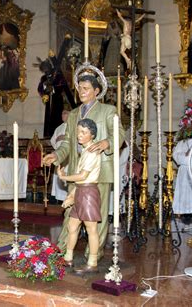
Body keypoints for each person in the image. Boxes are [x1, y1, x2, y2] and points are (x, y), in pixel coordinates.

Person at [43, 74, 125, 261]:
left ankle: (93, 254)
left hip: (100, 170)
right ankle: (63, 248)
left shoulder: (108, 110)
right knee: (71, 211)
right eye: (79, 88)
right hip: (76, 171)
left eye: (86, 88)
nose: (81, 91)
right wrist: (56, 155)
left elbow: (119, 134)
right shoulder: (73, 114)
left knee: (98, 216)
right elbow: (68, 144)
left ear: (96, 91)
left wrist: (106, 143)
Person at [58, 118, 101, 274]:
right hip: (81, 191)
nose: (79, 135)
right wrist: (72, 195)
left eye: (84, 132)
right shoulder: (84, 151)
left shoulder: (92, 152)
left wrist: (64, 177)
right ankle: (68, 258)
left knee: (91, 229)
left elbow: (82, 176)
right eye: (78, 132)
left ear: (92, 135)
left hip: (89, 193)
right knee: (72, 226)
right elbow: (79, 182)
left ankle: (92, 262)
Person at [173, 138, 192, 223]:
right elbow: (176, 157)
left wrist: (188, 157)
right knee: (184, 193)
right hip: (184, 172)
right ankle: (185, 213)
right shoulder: (182, 143)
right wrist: (188, 157)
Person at [50, 110, 70, 202]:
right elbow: (52, 141)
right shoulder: (58, 128)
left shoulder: (73, 125)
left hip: (68, 157)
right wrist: (57, 144)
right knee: (59, 178)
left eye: (65, 113)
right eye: (62, 113)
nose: (63, 115)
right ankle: (60, 200)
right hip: (59, 157)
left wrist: (64, 138)